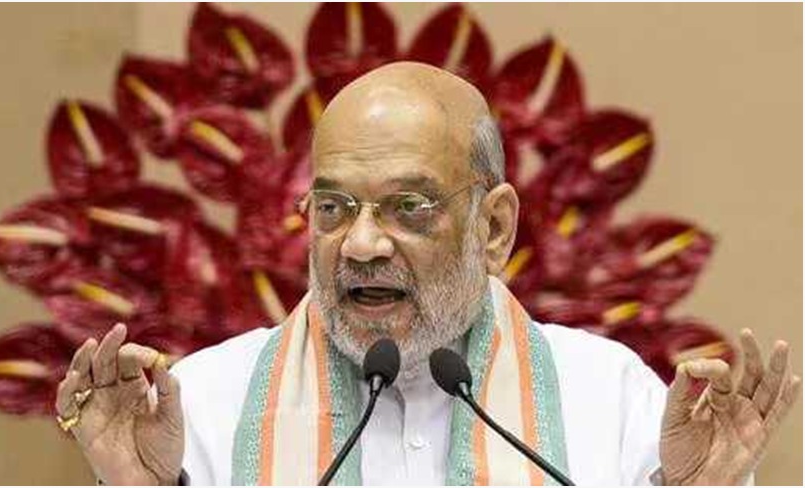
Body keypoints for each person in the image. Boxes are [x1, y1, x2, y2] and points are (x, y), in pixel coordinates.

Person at [54, 62, 800, 486]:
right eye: (333, 208)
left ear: (494, 227)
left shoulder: (608, 396)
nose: (360, 245)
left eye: (408, 207)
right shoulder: (205, 402)